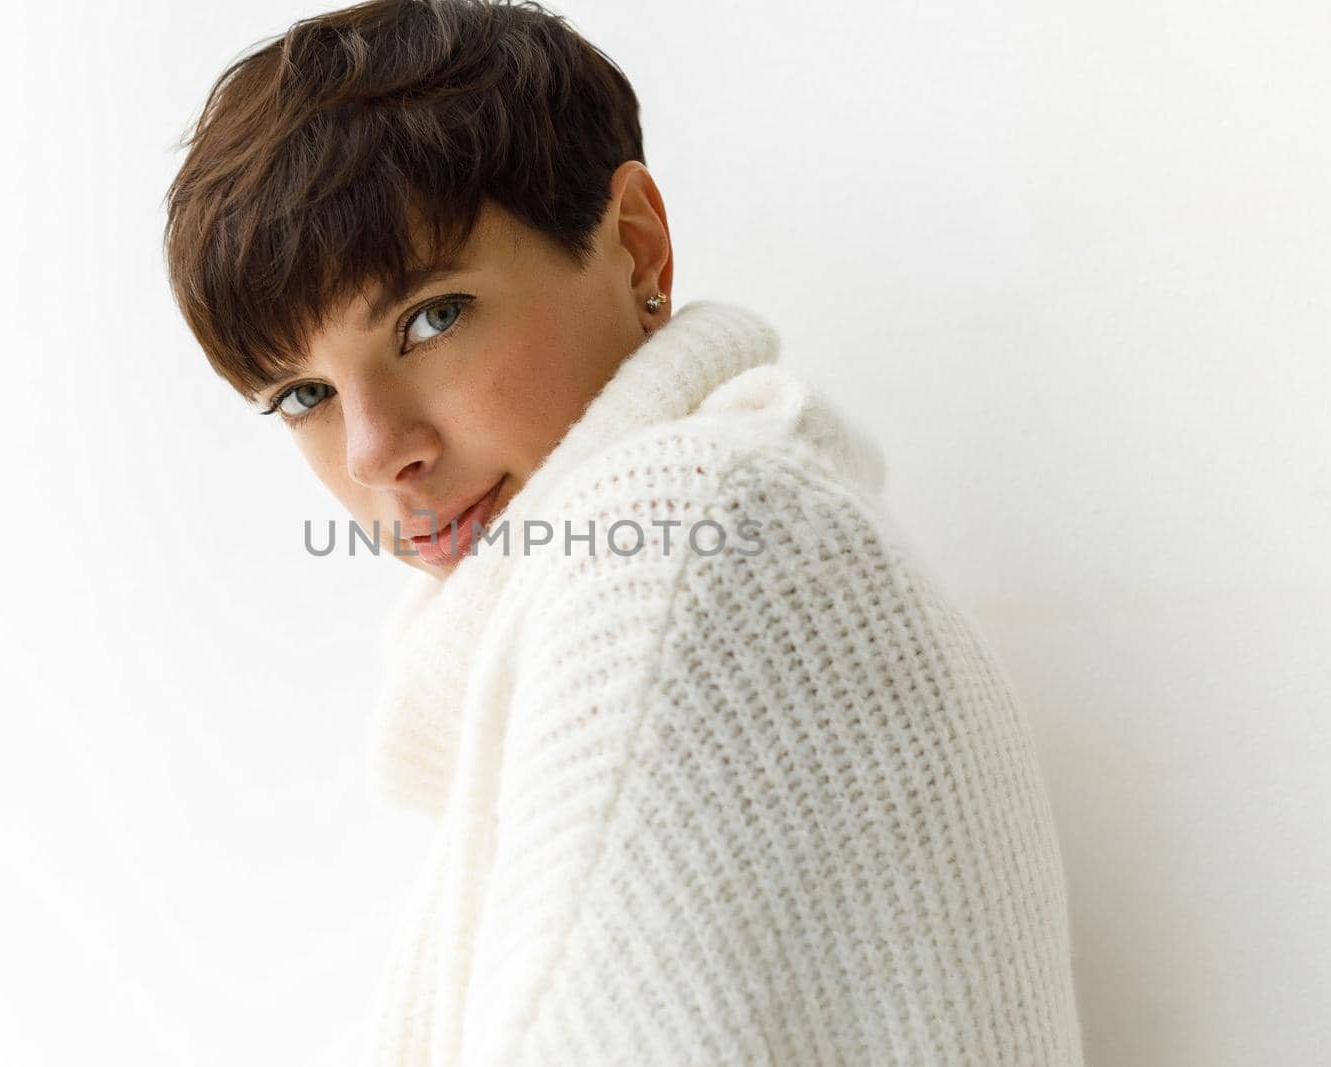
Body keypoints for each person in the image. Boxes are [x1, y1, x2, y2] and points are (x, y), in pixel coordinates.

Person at [162, 1, 1087, 1063]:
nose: (375, 452)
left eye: (431, 316)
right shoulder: (698, 549)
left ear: (637, 246)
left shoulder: (668, 546)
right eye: (302, 394)